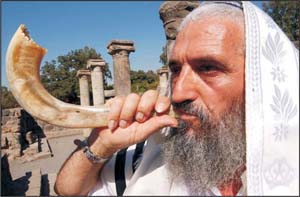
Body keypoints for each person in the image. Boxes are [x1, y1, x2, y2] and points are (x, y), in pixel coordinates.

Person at [55, 1, 299, 195]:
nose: (179, 92)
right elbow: (69, 190)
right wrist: (102, 144)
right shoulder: (147, 156)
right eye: (176, 69)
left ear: (262, 79)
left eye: (207, 68)